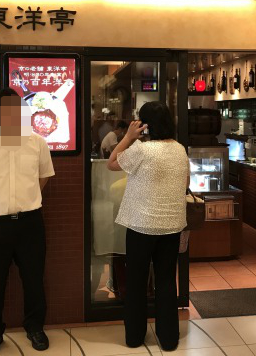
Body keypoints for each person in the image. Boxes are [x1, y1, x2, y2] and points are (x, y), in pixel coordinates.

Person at [0, 88, 55, 356]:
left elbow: (43, 177)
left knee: (34, 278)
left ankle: (35, 328)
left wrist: (26, 198)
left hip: (30, 222)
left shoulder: (37, 142)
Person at [107, 101, 189, 351]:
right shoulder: (179, 149)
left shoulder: (142, 149)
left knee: (136, 281)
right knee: (166, 281)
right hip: (171, 225)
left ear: (145, 125)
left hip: (141, 225)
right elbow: (185, 181)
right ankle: (169, 339)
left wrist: (129, 137)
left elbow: (112, 162)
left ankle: (134, 337)